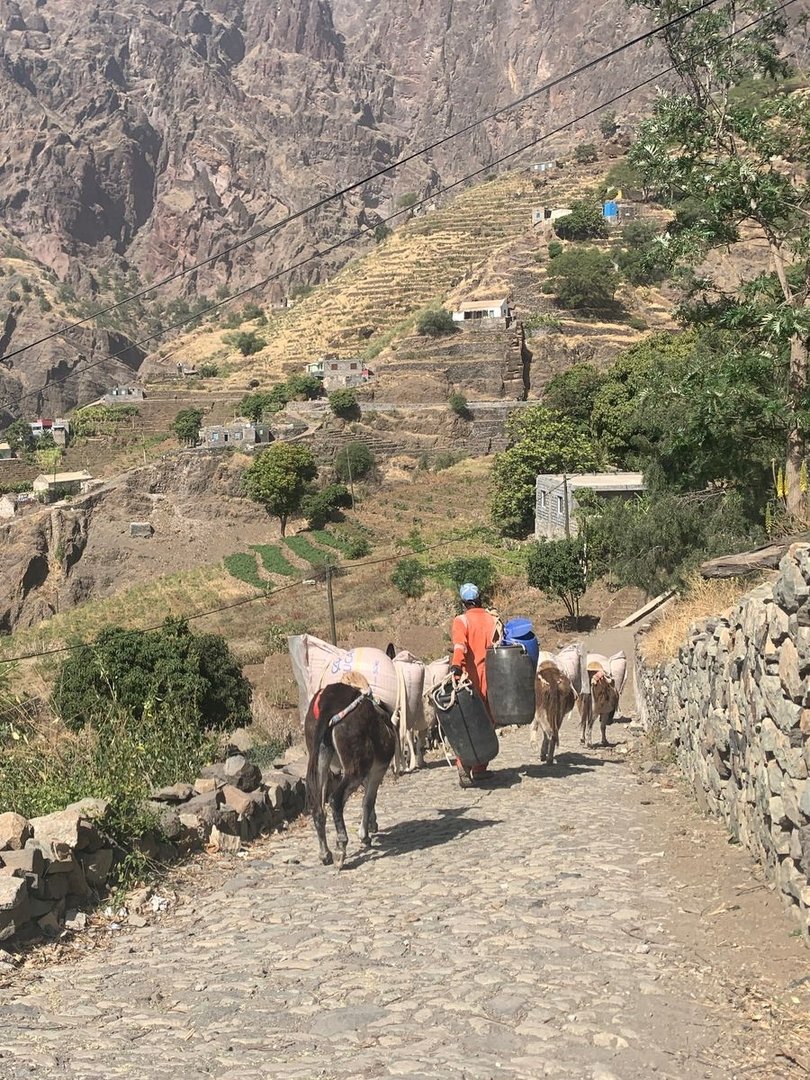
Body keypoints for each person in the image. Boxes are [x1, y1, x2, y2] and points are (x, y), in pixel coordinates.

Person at [450, 582, 499, 787]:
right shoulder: (492, 619)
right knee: (488, 723)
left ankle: (463, 764)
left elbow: (460, 646)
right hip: (493, 680)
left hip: (469, 681)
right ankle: (480, 768)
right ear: (479, 599)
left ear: (463, 603)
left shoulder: (461, 621)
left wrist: (456, 667)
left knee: (467, 723)